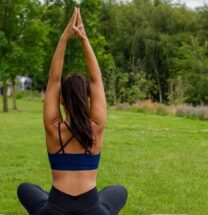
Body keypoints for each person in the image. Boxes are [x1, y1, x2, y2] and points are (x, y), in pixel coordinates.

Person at [17, 7, 127, 215]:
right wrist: (84, 39)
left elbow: (54, 80)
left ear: (60, 99)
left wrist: (65, 37)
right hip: (93, 210)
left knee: (25, 189)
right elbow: (96, 79)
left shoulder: (53, 128)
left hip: (55, 210)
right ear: (88, 98)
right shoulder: (96, 127)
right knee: (119, 191)